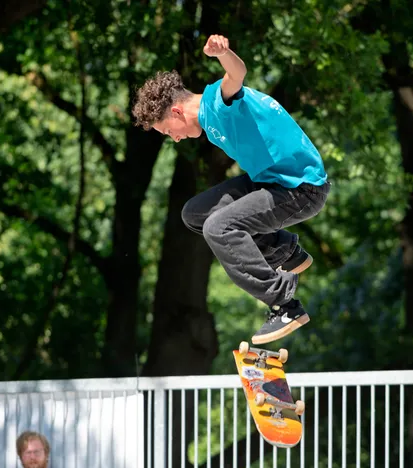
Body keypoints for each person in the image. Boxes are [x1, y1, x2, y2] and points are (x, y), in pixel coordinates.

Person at [132, 34, 332, 344]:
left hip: (300, 188)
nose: (175, 138)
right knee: (195, 213)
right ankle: (285, 251)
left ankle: (285, 305)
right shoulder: (211, 117)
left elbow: (236, 75)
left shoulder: (216, 104)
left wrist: (223, 53)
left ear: (176, 113)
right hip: (272, 181)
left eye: (169, 132)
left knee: (219, 227)